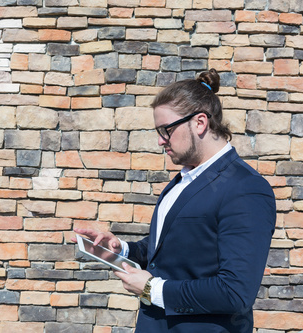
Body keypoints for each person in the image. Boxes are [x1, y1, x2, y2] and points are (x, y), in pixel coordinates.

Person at [74, 69, 276, 333]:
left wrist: (152, 289)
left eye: (166, 130)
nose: (160, 140)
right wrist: (122, 250)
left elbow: (235, 292)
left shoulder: (246, 188)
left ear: (200, 123)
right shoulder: (185, 179)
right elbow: (175, 250)